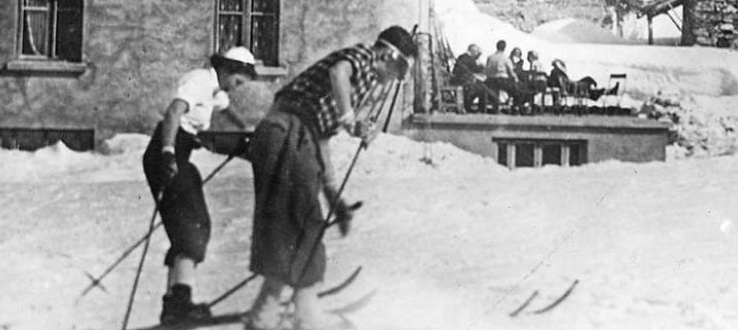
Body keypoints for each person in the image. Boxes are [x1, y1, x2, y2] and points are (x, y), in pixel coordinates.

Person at [243, 26, 417, 330]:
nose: (395, 78)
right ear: (388, 55)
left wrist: (333, 195)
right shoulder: (362, 56)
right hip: (288, 132)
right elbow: (338, 73)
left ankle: (266, 315)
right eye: (399, 68)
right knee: (305, 227)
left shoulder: (358, 84)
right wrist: (349, 118)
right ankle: (304, 318)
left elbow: (320, 141)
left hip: (295, 136)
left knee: (291, 230)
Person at [143, 46, 259, 325]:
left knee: (191, 227)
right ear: (229, 70)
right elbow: (173, 114)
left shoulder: (216, 90)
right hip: (167, 156)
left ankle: (174, 303)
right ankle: (179, 305)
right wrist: (168, 152)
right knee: (192, 228)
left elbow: (228, 112)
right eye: (238, 82)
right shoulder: (200, 81)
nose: (235, 89)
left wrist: (251, 135)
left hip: (178, 156)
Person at [547, 58, 619, 101]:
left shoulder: (556, 73)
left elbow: (561, 82)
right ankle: (609, 91)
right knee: (589, 83)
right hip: (574, 87)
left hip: (573, 86)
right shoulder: (557, 73)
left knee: (589, 82)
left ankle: (608, 91)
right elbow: (563, 84)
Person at [448, 43, 492, 112]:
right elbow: (477, 69)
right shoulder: (469, 59)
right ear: (473, 51)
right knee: (483, 89)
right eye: (476, 52)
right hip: (463, 82)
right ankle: (481, 109)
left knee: (479, 87)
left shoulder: (462, 57)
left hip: (458, 80)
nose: (477, 54)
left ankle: (468, 106)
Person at [482, 39, 518, 111]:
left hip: (492, 80)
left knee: (487, 88)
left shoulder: (490, 57)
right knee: (515, 90)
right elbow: (511, 71)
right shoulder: (506, 58)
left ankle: (491, 106)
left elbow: (486, 70)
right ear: (504, 48)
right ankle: (515, 107)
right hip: (503, 80)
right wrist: (515, 78)